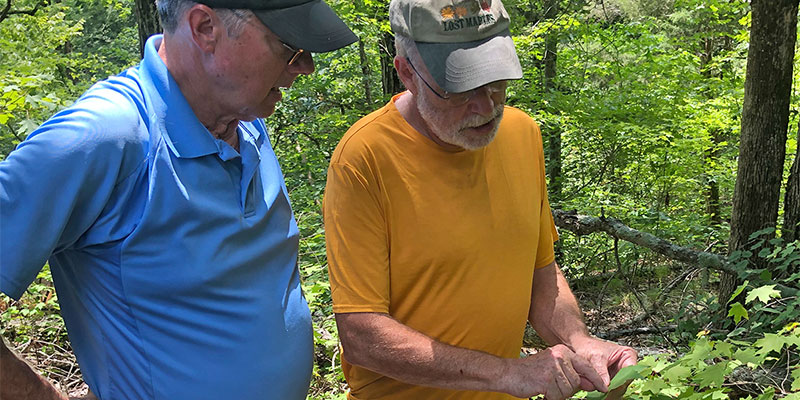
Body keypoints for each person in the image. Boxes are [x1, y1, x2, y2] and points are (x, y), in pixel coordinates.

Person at [0, 0, 356, 399]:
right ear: (205, 27)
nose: (304, 65)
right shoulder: (104, 138)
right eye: (288, 45)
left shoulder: (247, 121)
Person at [322, 0, 638, 399]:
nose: (487, 107)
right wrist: (508, 374)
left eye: (495, 80)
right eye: (459, 89)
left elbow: (540, 274)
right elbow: (361, 335)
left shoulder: (522, 135)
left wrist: (581, 342)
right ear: (407, 74)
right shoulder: (364, 158)